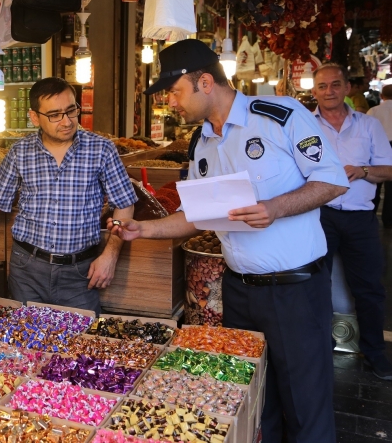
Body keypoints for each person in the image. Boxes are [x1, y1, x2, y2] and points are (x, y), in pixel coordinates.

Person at [109, 39, 349, 443]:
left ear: (205, 82)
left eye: (174, 91)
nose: (171, 102)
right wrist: (146, 230)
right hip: (238, 290)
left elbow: (332, 180)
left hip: (295, 289)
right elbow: (198, 215)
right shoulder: (201, 143)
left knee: (306, 406)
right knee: (255, 400)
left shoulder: (279, 116)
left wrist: (276, 207)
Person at [0, 77, 137, 315]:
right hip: (26, 268)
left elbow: (125, 204)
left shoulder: (102, 149)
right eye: (55, 115)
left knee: (81, 343)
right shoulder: (20, 152)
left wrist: (110, 255)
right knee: (23, 343)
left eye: (71, 110)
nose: (67, 121)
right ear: (35, 117)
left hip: (79, 272)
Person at [311, 63, 392, 380]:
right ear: (314, 91)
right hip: (319, 215)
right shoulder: (305, 125)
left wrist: (363, 171)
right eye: (322, 86)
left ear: (347, 88)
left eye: (335, 85)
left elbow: (389, 169)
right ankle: (321, 346)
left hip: (361, 218)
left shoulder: (368, 125)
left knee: (370, 288)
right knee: (315, 284)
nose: (328, 91)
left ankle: (374, 352)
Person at [370, 84, 392, 227]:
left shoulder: (374, 110)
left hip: (379, 145)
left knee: (374, 181)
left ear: (382, 96)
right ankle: (389, 220)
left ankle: (370, 216)